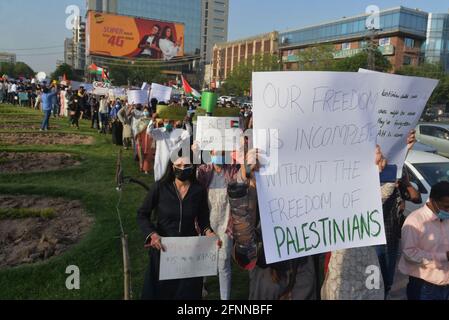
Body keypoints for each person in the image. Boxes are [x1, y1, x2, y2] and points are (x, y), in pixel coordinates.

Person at [137, 156, 220, 300]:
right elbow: (142, 214)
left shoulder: (198, 190)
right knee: (161, 293)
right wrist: (152, 234)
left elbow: (203, 219)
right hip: (163, 249)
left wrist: (209, 232)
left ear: (192, 167)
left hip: (189, 251)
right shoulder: (160, 187)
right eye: (179, 164)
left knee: (187, 293)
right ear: (172, 166)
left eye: (186, 165)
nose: (182, 168)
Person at [320, 145, 388, 300]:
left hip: (368, 263)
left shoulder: (367, 202)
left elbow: (385, 190)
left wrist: (400, 151)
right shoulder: (329, 202)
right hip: (341, 266)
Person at [197, 151, 240, 300]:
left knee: (224, 262)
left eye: (222, 151)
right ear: (210, 153)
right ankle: (201, 285)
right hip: (206, 224)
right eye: (215, 151)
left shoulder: (232, 170)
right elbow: (194, 182)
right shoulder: (204, 171)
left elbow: (242, 179)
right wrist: (195, 153)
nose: (219, 154)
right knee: (204, 259)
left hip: (226, 225)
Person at [399, 181, 449, 300]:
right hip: (424, 286)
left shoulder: (446, 218)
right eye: (446, 206)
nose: (448, 211)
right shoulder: (415, 221)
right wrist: (444, 256)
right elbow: (409, 253)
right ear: (432, 201)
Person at [146, 113, 192, 181]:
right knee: (160, 180)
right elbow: (149, 132)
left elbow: (189, 133)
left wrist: (187, 122)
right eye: (166, 122)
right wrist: (153, 120)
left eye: (170, 122)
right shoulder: (159, 131)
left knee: (173, 180)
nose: (168, 124)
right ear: (163, 122)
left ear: (173, 123)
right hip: (162, 160)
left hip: (174, 161)